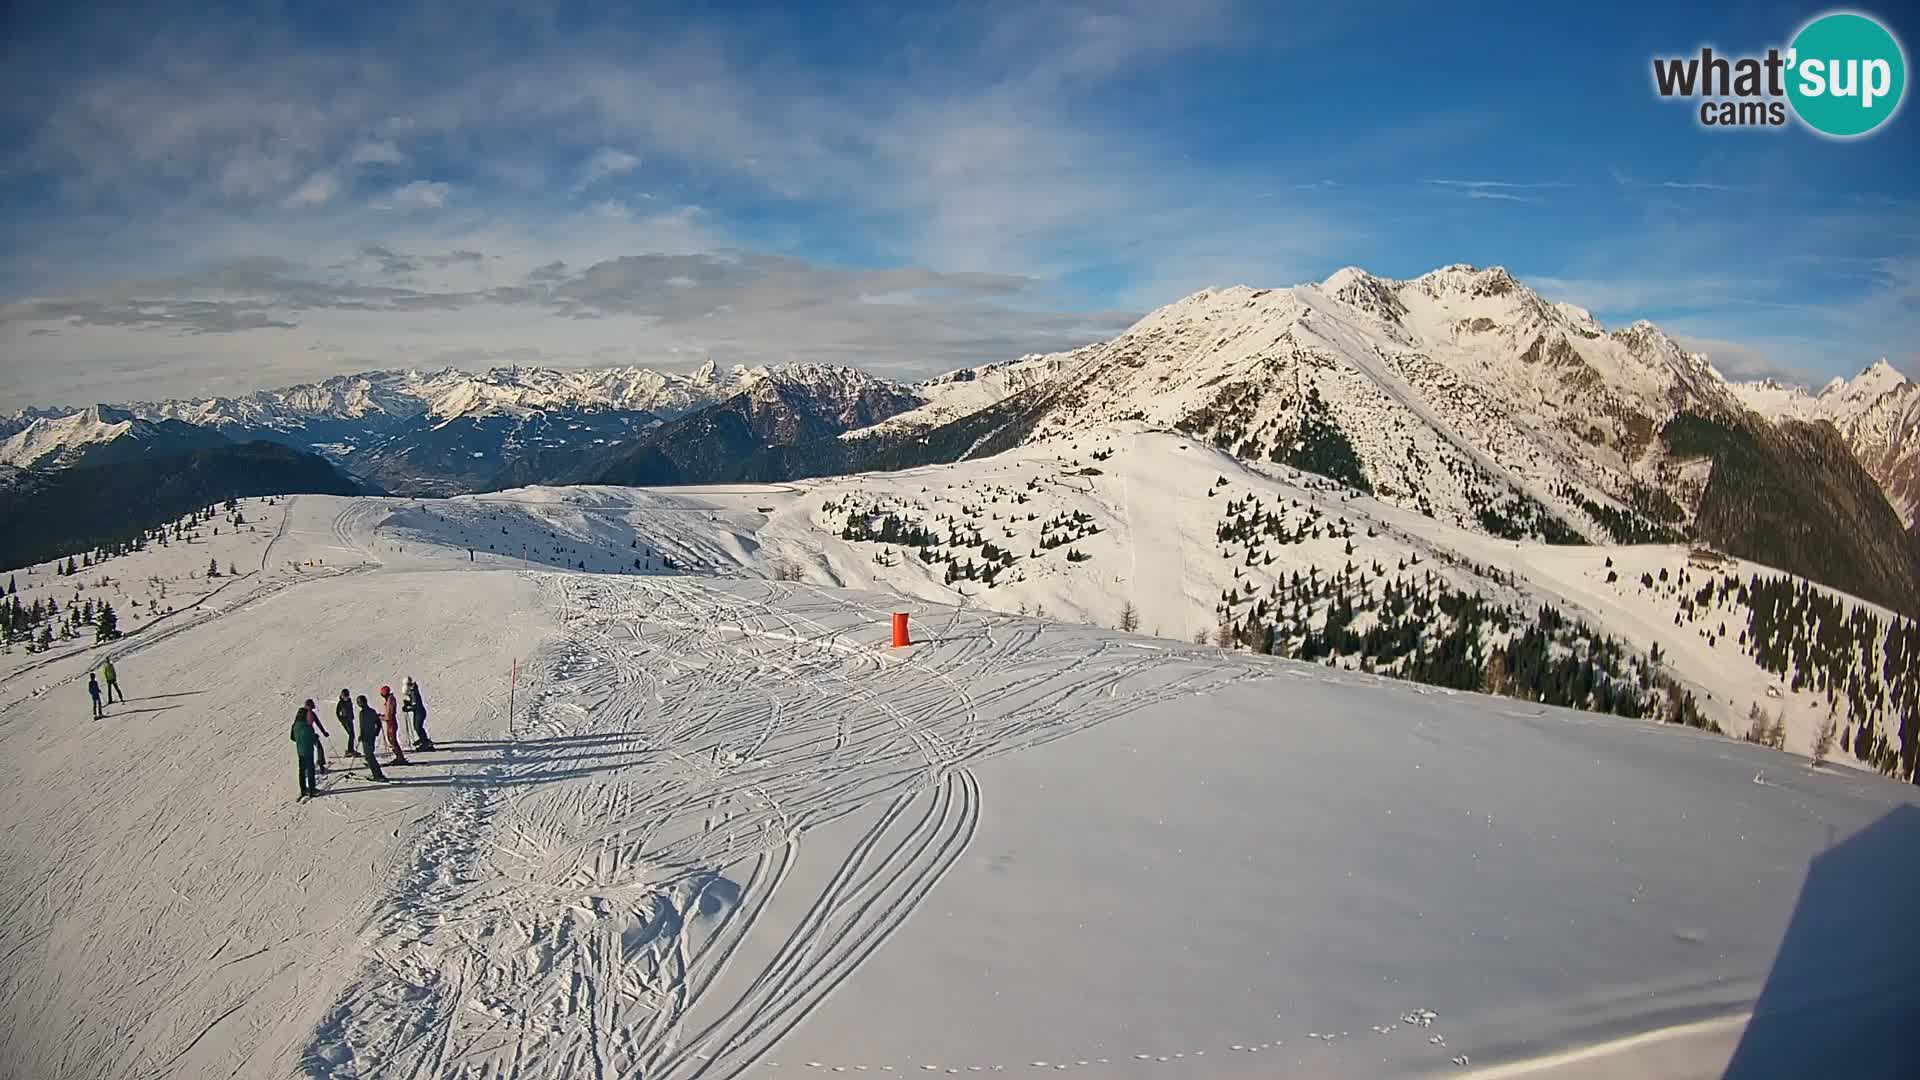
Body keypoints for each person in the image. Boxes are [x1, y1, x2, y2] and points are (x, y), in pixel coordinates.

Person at [355, 695, 388, 781]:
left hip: (366, 737)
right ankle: (377, 774)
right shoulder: (372, 711)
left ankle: (377, 775)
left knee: (369, 756)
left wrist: (361, 736)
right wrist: (376, 733)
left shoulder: (362, 713)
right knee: (370, 755)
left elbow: (362, 726)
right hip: (371, 736)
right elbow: (378, 723)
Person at [291, 706, 320, 799]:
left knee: (302, 770)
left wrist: (300, 740)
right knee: (310, 770)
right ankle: (312, 790)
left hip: (300, 750)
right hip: (308, 751)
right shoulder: (308, 727)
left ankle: (303, 789)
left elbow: (292, 738)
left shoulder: (294, 726)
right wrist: (315, 737)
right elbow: (313, 739)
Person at [402, 677, 435, 751]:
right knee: (416, 727)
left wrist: (408, 708)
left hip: (419, 713)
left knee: (418, 727)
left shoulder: (413, 693)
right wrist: (408, 703)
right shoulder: (413, 690)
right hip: (418, 712)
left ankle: (425, 743)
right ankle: (423, 739)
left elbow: (415, 705)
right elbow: (414, 703)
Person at [379, 685, 410, 766]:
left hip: (391, 722)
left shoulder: (390, 700)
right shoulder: (389, 699)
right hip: (390, 722)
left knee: (392, 739)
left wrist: (381, 717)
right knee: (391, 740)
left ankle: (400, 757)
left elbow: (389, 715)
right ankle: (399, 757)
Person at [303, 698, 329, 773]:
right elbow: (318, 724)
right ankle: (321, 766)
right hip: (310, 734)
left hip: (304, 735)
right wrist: (324, 733)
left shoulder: (302, 714)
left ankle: (307, 768)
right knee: (319, 747)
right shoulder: (312, 714)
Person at [335, 689, 356, 756]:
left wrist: (352, 716)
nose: (346, 697)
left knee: (352, 735)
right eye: (345, 696)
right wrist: (341, 720)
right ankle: (350, 751)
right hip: (345, 721)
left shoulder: (349, 701)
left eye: (347, 696)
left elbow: (351, 709)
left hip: (350, 720)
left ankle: (351, 750)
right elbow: (337, 712)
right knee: (351, 735)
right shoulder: (341, 703)